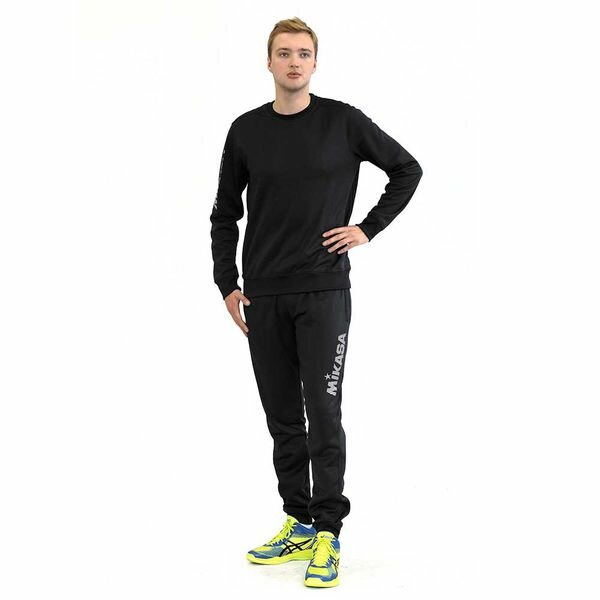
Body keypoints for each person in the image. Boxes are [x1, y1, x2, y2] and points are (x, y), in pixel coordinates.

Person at [210, 16, 423, 588]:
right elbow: (225, 213)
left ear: (315, 62)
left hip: (324, 292)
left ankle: (328, 530)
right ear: (269, 62)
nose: (294, 62)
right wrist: (227, 283)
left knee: (323, 414)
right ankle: (298, 522)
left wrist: (367, 229)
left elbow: (407, 169)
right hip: (264, 295)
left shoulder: (342, 122)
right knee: (283, 417)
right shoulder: (246, 130)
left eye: (303, 53)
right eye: (284, 53)